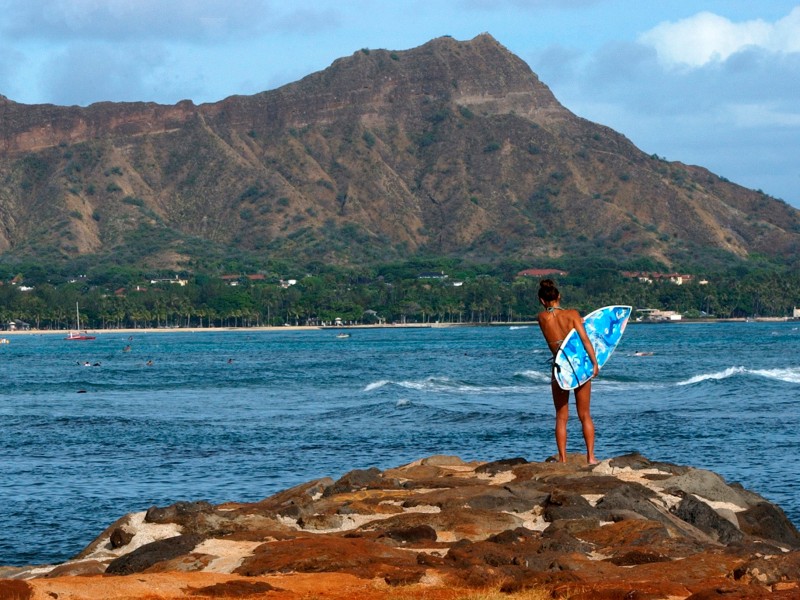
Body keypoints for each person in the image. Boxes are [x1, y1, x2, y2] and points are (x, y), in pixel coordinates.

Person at [537, 279, 600, 465]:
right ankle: (590, 457)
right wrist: (595, 363)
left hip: (558, 368)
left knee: (561, 416)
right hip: (579, 367)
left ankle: (563, 459)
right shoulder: (572, 315)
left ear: (541, 300)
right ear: (559, 296)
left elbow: (554, 327)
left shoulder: (541, 318)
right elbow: (585, 340)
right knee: (585, 414)